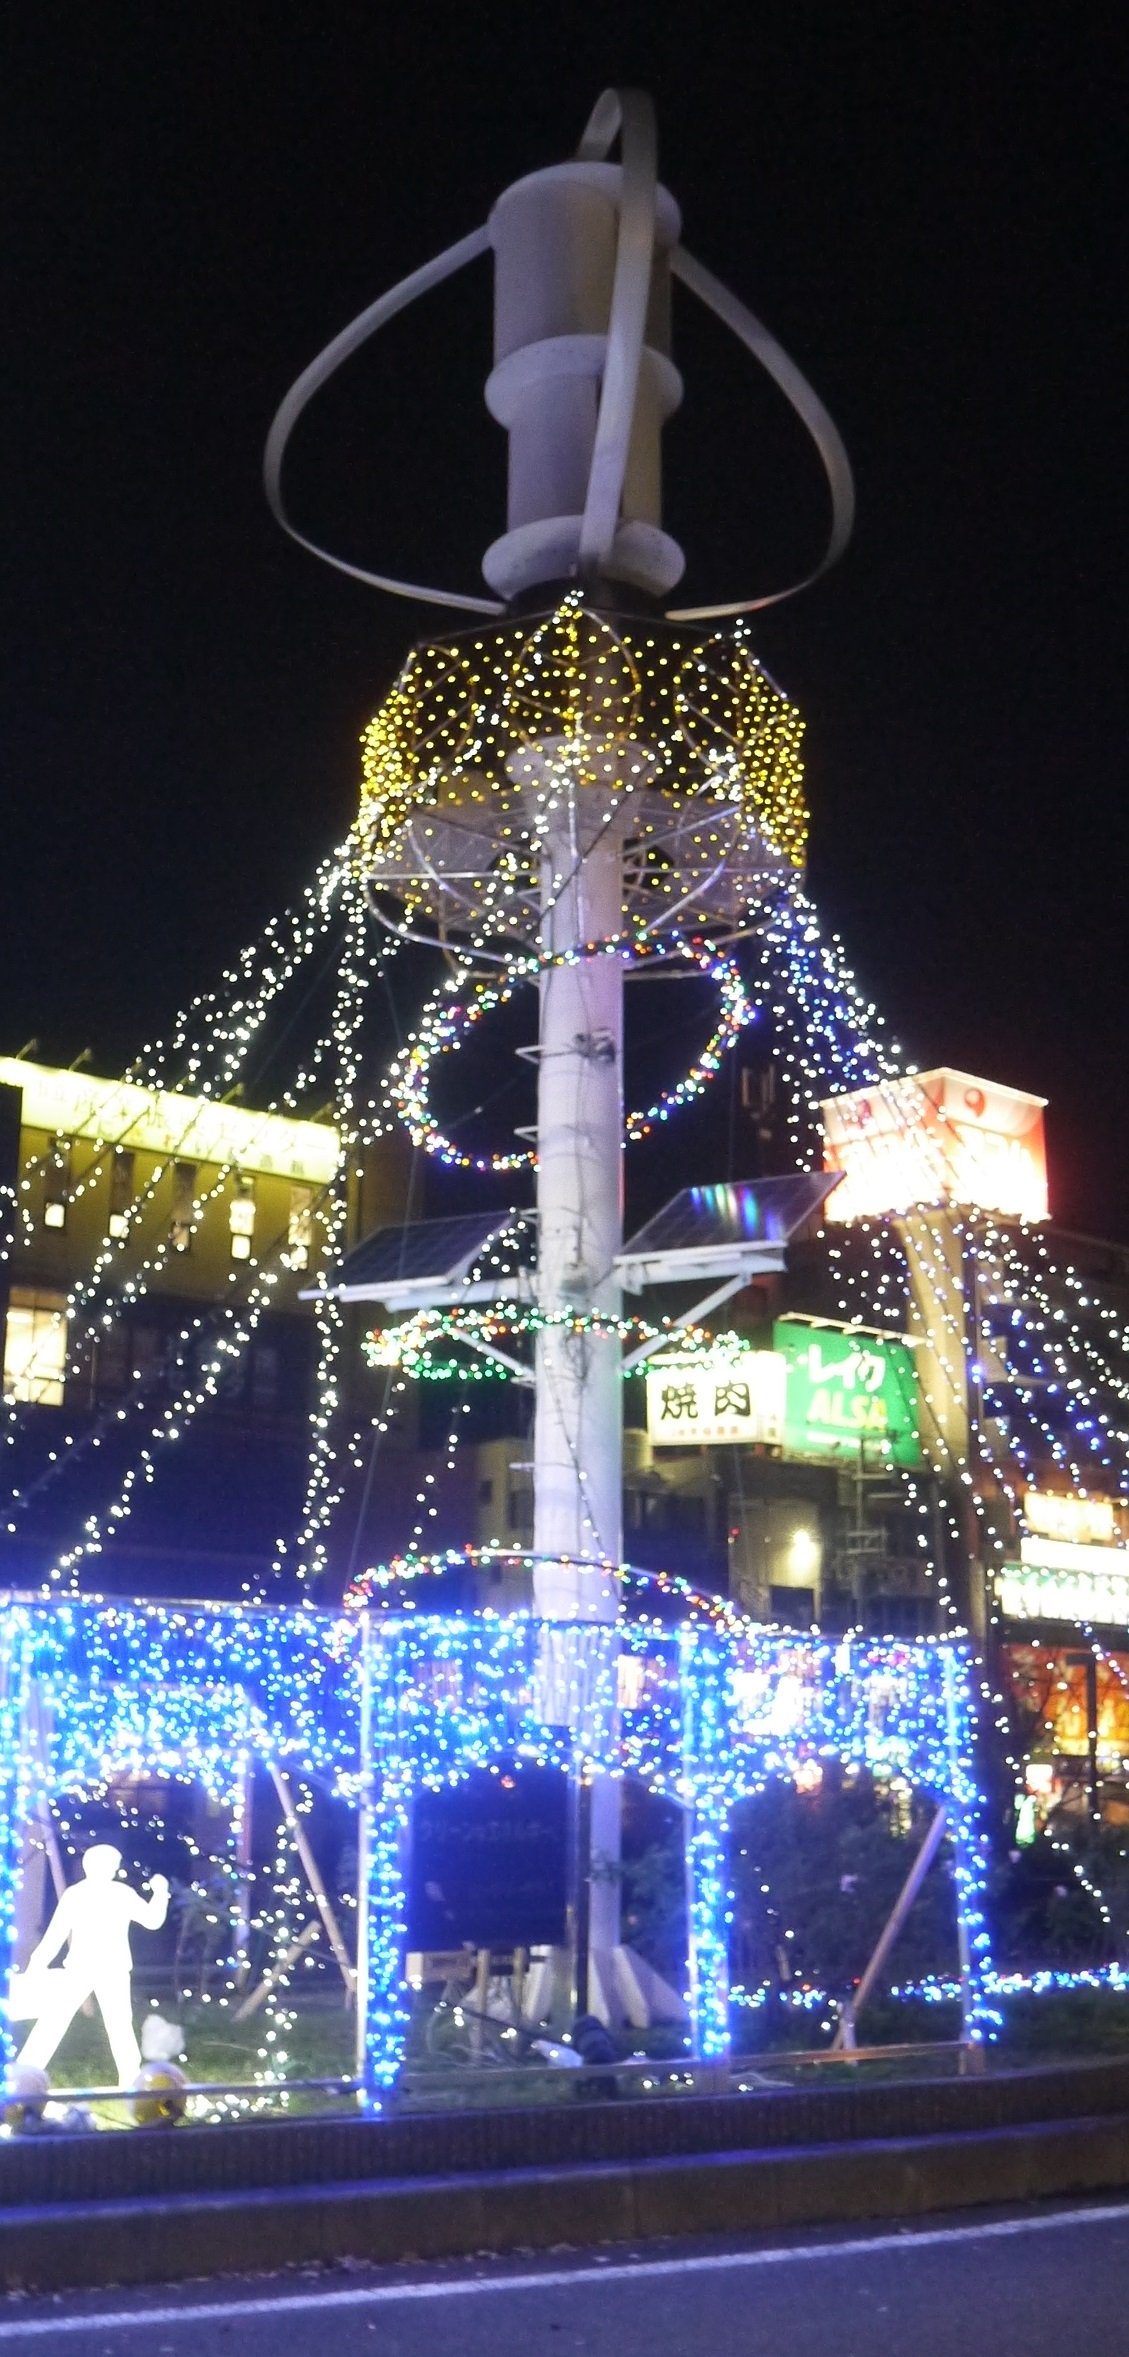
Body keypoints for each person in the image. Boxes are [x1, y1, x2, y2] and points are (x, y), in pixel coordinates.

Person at [16, 1845, 169, 2087]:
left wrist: (161, 1894)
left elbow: (151, 1920)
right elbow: (56, 1934)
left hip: (103, 1968)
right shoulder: (95, 1894)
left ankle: (26, 2074)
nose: (114, 1869)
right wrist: (161, 1892)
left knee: (109, 2022)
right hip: (90, 1968)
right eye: (111, 1864)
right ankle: (26, 2072)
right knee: (65, 2019)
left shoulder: (101, 1894)